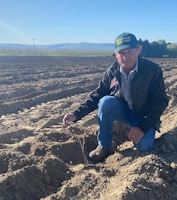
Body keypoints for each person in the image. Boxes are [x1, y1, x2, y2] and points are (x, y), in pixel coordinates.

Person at [63, 32, 169, 163]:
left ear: (138, 49)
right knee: (106, 101)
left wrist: (142, 126)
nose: (126, 57)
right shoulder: (112, 72)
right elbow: (97, 95)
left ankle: (143, 131)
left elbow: (160, 102)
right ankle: (104, 145)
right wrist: (76, 114)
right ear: (115, 53)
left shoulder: (152, 70)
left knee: (144, 147)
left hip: (144, 116)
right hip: (123, 112)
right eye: (121, 53)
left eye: (130, 51)